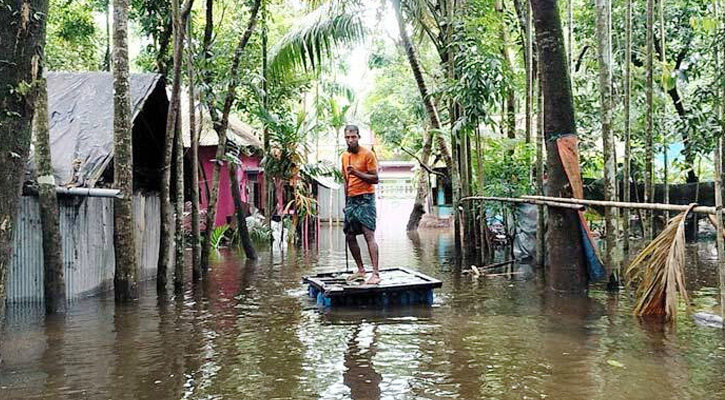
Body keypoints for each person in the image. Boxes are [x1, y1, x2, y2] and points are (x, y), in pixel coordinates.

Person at [342, 124, 381, 285]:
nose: (350, 140)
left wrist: (356, 172)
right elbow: (346, 180)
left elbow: (375, 178)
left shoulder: (368, 154)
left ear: (358, 137)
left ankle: (376, 273)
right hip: (352, 199)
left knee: (368, 235)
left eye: (353, 137)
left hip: (366, 198)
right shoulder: (344, 156)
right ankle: (361, 270)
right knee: (349, 235)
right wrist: (346, 202)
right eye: (347, 137)